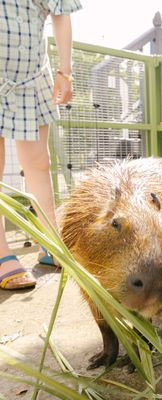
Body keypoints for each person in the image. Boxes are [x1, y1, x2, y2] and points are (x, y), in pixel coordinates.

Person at [0, 0, 82, 290]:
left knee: (39, 162)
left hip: (33, 75)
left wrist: (66, 70)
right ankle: (1, 252)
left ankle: (50, 242)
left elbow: (61, 11)